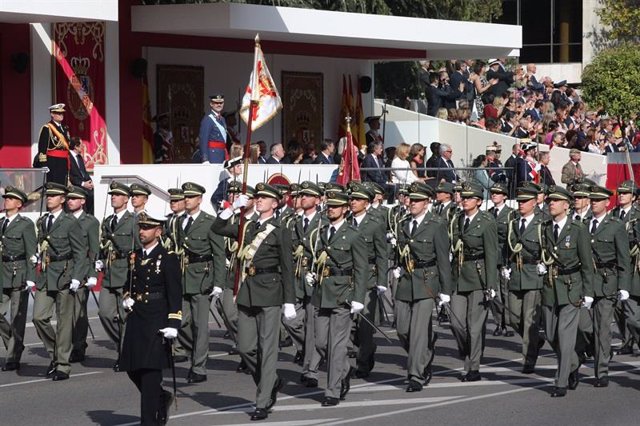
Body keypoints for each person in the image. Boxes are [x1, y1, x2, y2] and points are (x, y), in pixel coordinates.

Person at [212, 183, 296, 421]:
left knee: (267, 349)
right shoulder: (247, 225)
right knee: (246, 347)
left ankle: (262, 401)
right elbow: (217, 228)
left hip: (270, 291)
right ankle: (271, 382)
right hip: (247, 291)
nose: (258, 201)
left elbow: (288, 268)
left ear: (275, 203)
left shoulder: (280, 230)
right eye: (257, 198)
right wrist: (231, 208)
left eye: (264, 198)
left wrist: (289, 300)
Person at [120, 212, 182, 426]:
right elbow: (127, 284)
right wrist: (126, 298)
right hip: (137, 317)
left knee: (149, 373)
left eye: (147, 228)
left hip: (157, 318)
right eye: (141, 227)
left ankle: (148, 421)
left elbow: (175, 293)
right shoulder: (135, 256)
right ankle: (160, 397)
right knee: (130, 366)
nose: (142, 231)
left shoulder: (168, 257)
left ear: (159, 231)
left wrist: (174, 323)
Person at [305, 191, 366, 407]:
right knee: (321, 342)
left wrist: (358, 297)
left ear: (345, 209)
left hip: (343, 295)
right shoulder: (320, 232)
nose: (331, 209)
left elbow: (361, 268)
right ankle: (344, 370)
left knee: (338, 345)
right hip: (322, 294)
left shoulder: (353, 234)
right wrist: (311, 273)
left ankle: (332, 390)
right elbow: (315, 258)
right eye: (329, 206)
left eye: (336, 206)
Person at [394, 182, 451, 392]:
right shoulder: (403, 223)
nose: (412, 203)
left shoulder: (436, 224)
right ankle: (426, 349)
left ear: (427, 202)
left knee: (418, 331)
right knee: (401, 328)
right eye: (411, 199)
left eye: (417, 200)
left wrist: (445, 290)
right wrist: (397, 268)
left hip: (427, 281)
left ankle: (416, 375)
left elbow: (443, 258)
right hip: (406, 281)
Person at [541, 185, 593, 397]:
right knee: (552, 334)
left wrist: (588, 292)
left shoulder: (577, 228)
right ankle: (574, 361)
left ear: (566, 205)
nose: (550, 204)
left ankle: (560, 382)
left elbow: (587, 263)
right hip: (550, 286)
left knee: (564, 333)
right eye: (549, 201)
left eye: (555, 201)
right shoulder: (545, 227)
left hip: (572, 285)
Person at [33, 182, 88, 381]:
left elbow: (80, 252)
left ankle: (62, 366)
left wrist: (77, 277)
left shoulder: (70, 222)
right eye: (48, 196)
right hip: (46, 274)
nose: (49, 198)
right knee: (39, 317)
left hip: (64, 273)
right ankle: (57, 353)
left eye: (54, 196)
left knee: (64, 322)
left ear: (63, 200)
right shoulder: (42, 221)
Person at [174, 182, 226, 384]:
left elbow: (219, 254)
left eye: (191, 196)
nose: (186, 199)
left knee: (200, 325)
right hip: (183, 277)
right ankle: (194, 349)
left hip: (202, 277)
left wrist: (218, 283)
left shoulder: (210, 222)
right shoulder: (180, 222)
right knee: (180, 321)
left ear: (200, 199)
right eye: (185, 196)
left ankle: (199, 367)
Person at [449, 181, 498, 382]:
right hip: (458, 275)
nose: (464, 200)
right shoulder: (457, 219)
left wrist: (491, 285)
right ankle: (467, 350)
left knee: (474, 325)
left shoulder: (486, 221)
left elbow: (491, 254)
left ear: (478, 201)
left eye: (469, 198)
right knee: (456, 322)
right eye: (463, 197)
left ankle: (473, 367)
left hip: (478, 275)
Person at [585, 185, 630, 388]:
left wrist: (624, 285)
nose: (593, 202)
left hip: (606, 281)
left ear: (606, 203)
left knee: (602, 328)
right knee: (583, 327)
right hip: (585, 282)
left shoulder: (615, 225)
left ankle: (601, 371)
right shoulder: (582, 224)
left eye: (597, 200)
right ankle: (590, 353)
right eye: (591, 199)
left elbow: (623, 258)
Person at [346, 182, 388, 379]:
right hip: (346, 277)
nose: (353, 202)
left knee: (363, 326)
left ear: (367, 202)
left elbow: (381, 253)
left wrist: (382, 279)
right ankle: (367, 347)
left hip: (368, 278)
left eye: (357, 199)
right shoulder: (344, 221)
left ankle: (363, 364)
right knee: (347, 324)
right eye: (351, 199)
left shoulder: (375, 222)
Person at [504, 182, 546, 373]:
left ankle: (529, 359)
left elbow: (547, 246)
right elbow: (507, 248)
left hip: (533, 273)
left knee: (530, 320)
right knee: (513, 317)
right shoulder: (513, 222)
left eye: (525, 201)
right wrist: (505, 266)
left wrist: (545, 263)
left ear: (534, 203)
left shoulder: (542, 222)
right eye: (519, 201)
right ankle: (535, 340)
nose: (521, 204)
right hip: (516, 273)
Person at [287, 181, 325, 388]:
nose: (302, 198)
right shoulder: (293, 221)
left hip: (313, 278)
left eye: (308, 196)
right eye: (301, 195)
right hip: (296, 277)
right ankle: (310, 350)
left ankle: (310, 371)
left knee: (312, 326)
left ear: (317, 200)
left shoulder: (323, 222)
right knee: (290, 321)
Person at [97, 181, 138, 370]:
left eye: (117, 194)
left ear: (126, 199)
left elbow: (139, 247)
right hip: (110, 272)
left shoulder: (133, 220)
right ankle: (127, 344)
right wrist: (99, 259)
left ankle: (124, 354)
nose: (113, 197)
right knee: (104, 312)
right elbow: (103, 244)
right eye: (112, 194)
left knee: (124, 317)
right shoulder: (108, 221)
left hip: (126, 271)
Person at [0, 187, 37, 372]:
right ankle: (16, 345)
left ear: (19, 204)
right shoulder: (1, 223)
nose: (6, 200)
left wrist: (31, 277)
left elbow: (32, 253)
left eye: (10, 198)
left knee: (17, 318)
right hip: (2, 273)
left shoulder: (25, 224)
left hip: (19, 273)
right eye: (6, 198)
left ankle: (13, 355)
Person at [66, 185, 100, 364]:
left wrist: (93, 273)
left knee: (78, 311)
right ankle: (67, 344)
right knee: (66, 312)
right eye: (68, 198)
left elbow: (94, 250)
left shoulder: (90, 222)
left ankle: (78, 345)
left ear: (82, 201)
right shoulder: (63, 219)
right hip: (64, 269)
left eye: (73, 198)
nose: (70, 201)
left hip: (83, 269)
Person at [488, 182, 515, 337]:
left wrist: (510, 260)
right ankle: (499, 322)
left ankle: (508, 322)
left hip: (505, 256)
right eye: (492, 193)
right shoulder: (488, 213)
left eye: (498, 193)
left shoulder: (511, 214)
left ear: (504, 196)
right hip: (492, 256)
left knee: (505, 291)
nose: (494, 195)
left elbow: (513, 237)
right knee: (494, 292)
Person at [35, 103, 73, 185]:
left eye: (62, 113)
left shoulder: (65, 128)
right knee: (54, 186)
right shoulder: (47, 128)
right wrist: (43, 164)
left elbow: (67, 145)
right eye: (58, 113)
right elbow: (42, 147)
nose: (61, 115)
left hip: (63, 162)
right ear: (52, 114)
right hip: (53, 162)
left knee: (63, 186)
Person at [198, 94, 228, 164]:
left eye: (221, 103)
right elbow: (203, 139)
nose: (219, 105)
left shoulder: (222, 119)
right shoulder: (208, 119)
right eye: (216, 103)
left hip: (222, 154)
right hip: (212, 155)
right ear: (211, 104)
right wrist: (205, 158)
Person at [68, 137, 95, 214]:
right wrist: (83, 184)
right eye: (81, 145)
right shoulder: (68, 157)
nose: (83, 146)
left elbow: (84, 172)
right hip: (75, 185)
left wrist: (90, 182)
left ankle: (89, 217)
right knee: (90, 195)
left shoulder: (79, 157)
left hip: (84, 184)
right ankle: (87, 215)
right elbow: (71, 176)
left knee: (95, 193)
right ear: (76, 146)